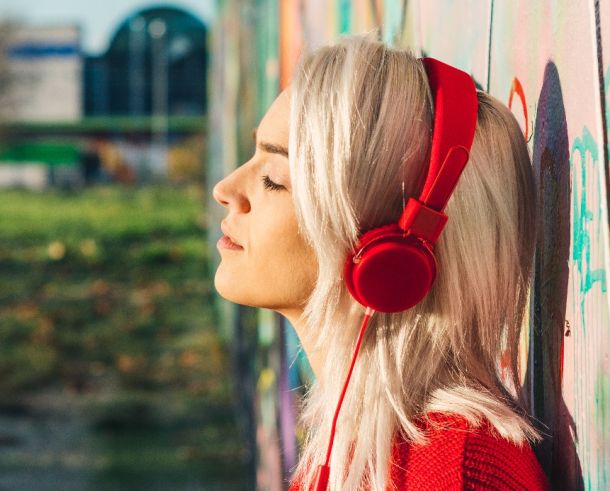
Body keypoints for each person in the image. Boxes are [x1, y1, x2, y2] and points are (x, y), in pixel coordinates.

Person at [212, 32, 550, 490]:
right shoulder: (354, 449)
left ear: (391, 253)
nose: (226, 189)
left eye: (274, 179)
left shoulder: (455, 474)